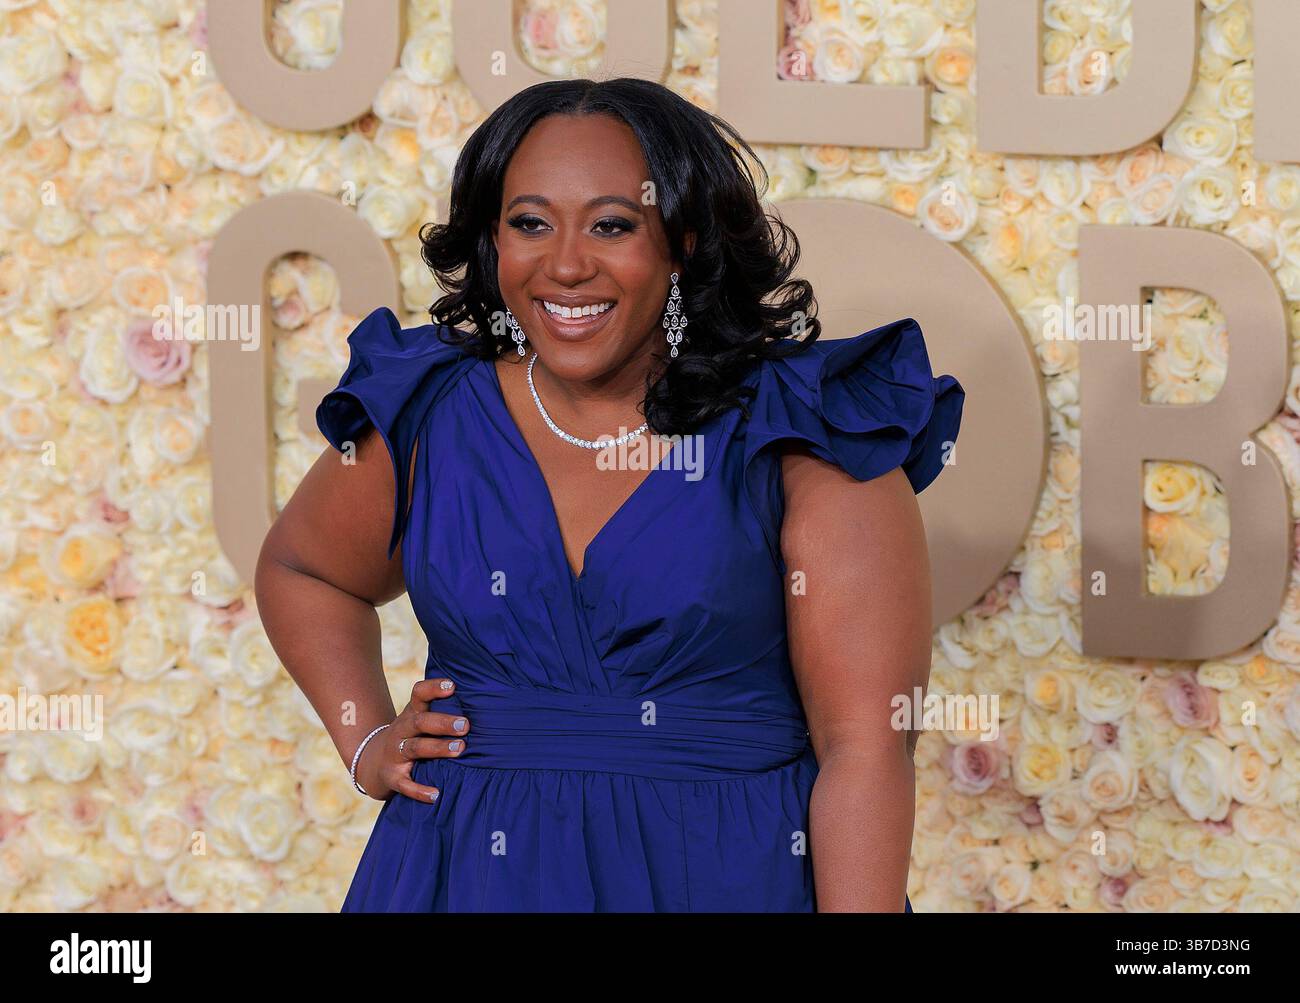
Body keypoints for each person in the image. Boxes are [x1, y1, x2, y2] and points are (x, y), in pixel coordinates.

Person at [255, 77, 964, 912]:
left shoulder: (806, 427)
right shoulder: (428, 410)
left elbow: (866, 751)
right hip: (462, 879)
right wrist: (367, 736)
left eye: (612, 225)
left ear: (685, 242)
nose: (564, 264)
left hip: (730, 877)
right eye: (529, 223)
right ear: (492, 240)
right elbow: (303, 569)